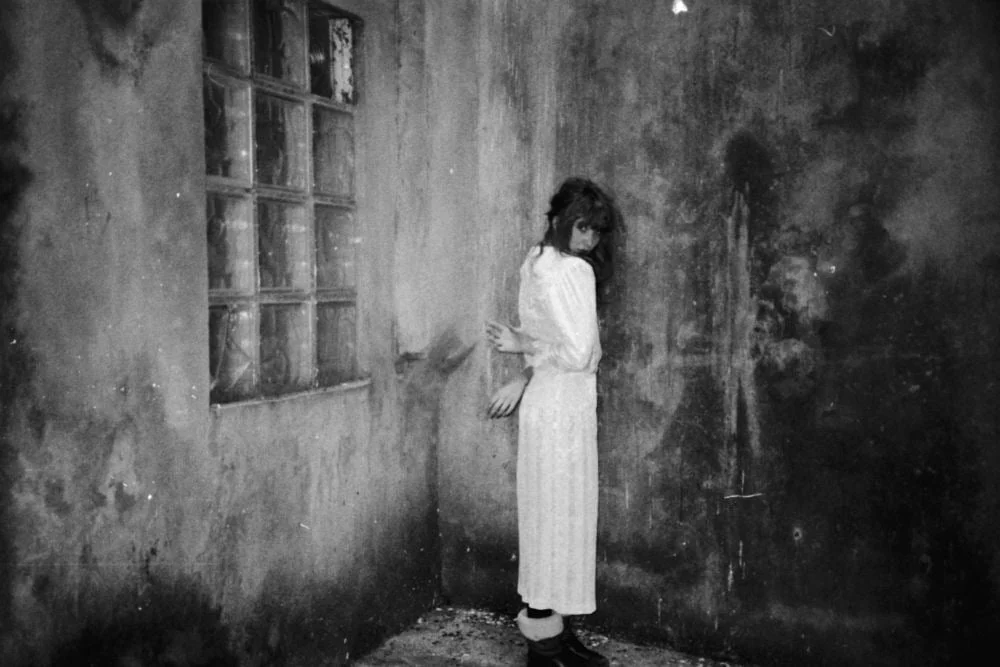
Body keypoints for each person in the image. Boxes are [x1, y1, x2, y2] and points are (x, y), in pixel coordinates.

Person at [486, 177, 620, 666]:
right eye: (583, 227)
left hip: (546, 402)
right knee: (562, 515)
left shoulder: (535, 260)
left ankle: (551, 636)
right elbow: (582, 354)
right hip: (565, 409)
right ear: (561, 220)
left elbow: (539, 341)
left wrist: (525, 359)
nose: (589, 239)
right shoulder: (574, 271)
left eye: (596, 231)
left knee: (546, 515)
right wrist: (530, 347)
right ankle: (546, 648)